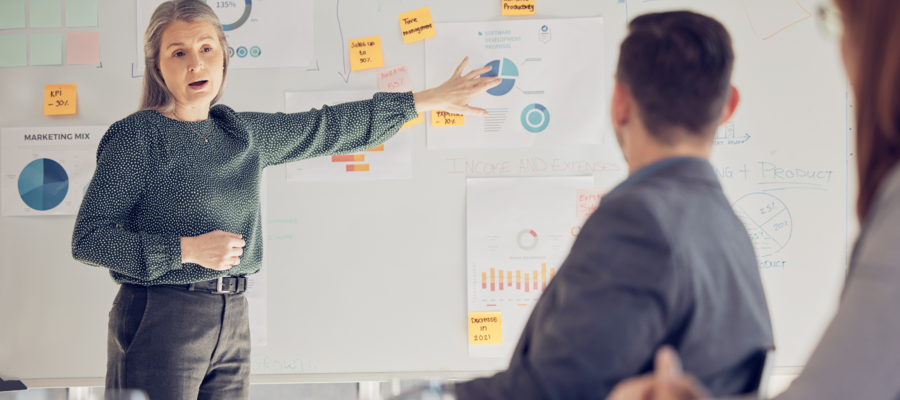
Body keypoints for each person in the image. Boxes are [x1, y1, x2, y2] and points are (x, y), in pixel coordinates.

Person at [70, 0, 500, 398]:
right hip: (162, 313)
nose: (196, 62)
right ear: (158, 67)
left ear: (223, 58)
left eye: (206, 48)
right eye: (178, 53)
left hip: (233, 314)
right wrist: (186, 249)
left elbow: (329, 126)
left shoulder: (243, 134)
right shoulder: (137, 137)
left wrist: (426, 100)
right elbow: (88, 239)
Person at [451, 12, 773, 400]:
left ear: (620, 103)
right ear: (727, 107)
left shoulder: (639, 222)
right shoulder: (727, 227)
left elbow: (551, 392)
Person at [606, 2, 900, 400]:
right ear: (728, 105)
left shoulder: (633, 217)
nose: (842, 51)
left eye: (841, 22)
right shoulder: (722, 223)